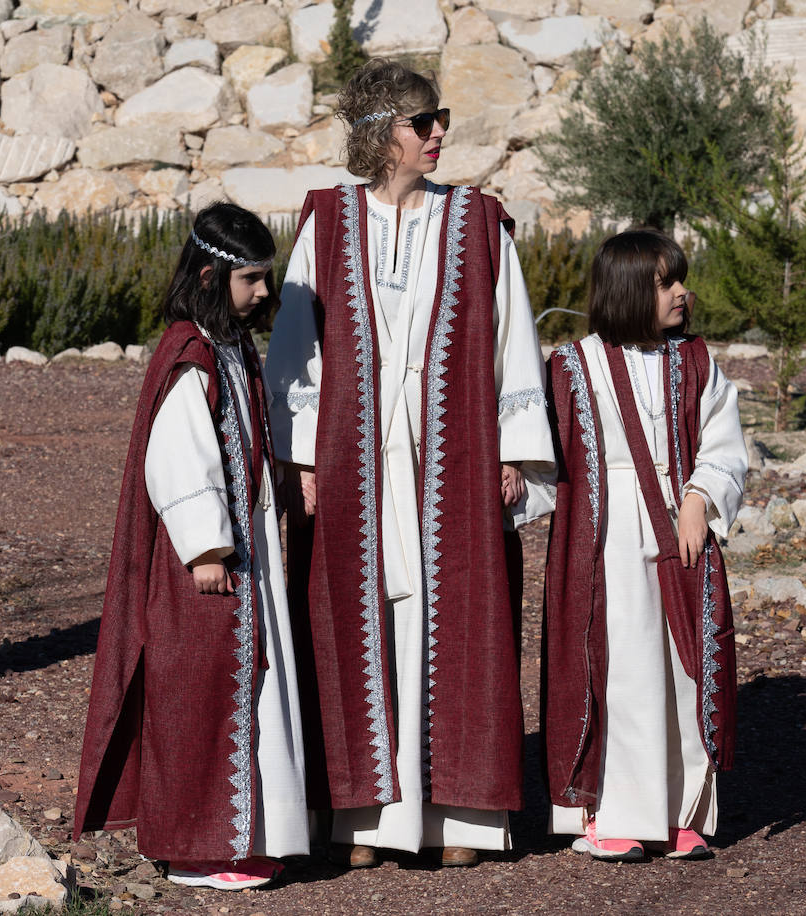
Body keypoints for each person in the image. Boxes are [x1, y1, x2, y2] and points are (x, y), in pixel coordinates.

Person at [263, 59, 555, 867]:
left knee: (457, 618)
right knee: (355, 619)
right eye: (421, 121)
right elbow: (296, 350)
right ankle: (363, 820)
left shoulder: (477, 221)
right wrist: (302, 458)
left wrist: (516, 452)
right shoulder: (326, 222)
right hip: (352, 454)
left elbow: (513, 342)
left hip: (454, 453)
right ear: (377, 133)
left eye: (441, 119)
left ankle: (458, 816)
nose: (438, 134)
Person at [74, 203, 307, 891]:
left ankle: (239, 835)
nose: (264, 292)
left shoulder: (230, 346)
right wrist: (206, 548)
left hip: (242, 556)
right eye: (252, 280)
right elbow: (176, 459)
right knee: (198, 693)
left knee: (242, 689)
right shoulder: (191, 354)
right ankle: (197, 846)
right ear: (211, 275)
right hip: (203, 567)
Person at [541, 229, 747, 862]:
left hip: (678, 527)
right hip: (602, 535)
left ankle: (680, 812)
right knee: (620, 667)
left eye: (680, 279)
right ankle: (610, 813)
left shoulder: (695, 361)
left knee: (681, 669)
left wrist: (698, 499)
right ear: (630, 290)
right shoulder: (574, 366)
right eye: (666, 282)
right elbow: (541, 452)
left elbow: (722, 441)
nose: (683, 292)